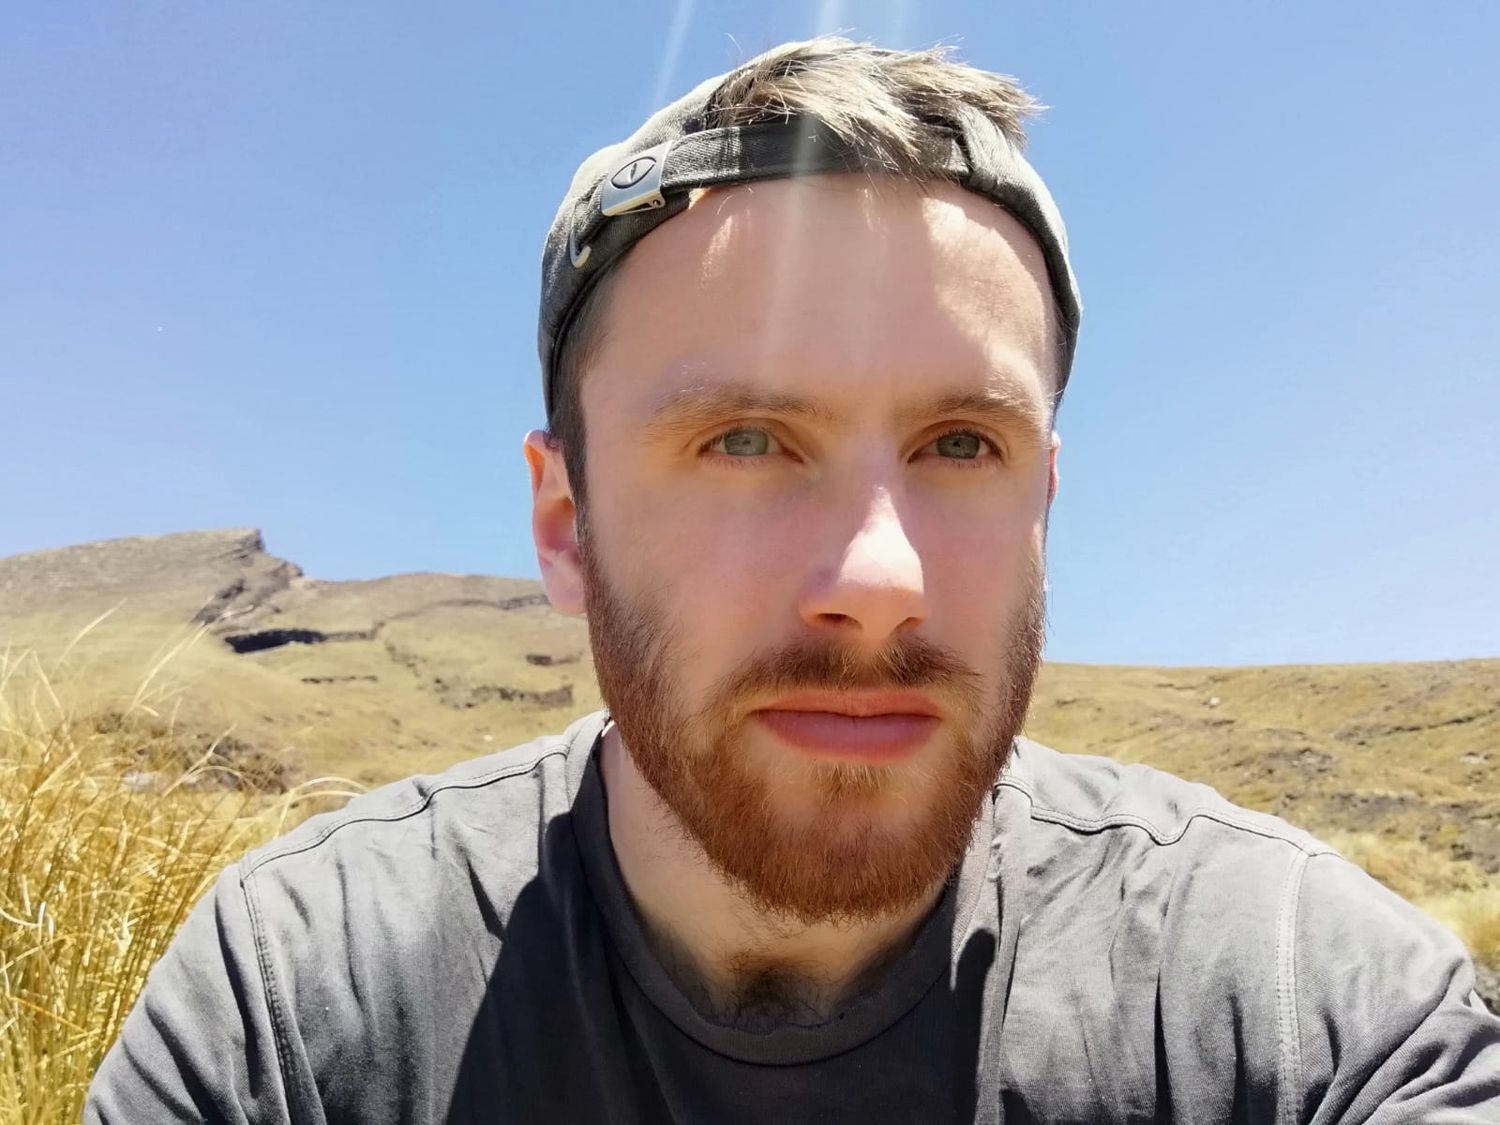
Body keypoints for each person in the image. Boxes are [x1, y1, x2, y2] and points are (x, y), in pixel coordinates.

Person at [85, 37, 1500, 1123]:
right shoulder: (292, 1012)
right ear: (566, 523)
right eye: (748, 440)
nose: (878, 580)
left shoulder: (1307, 1010)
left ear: (1045, 500)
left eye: (962, 443)